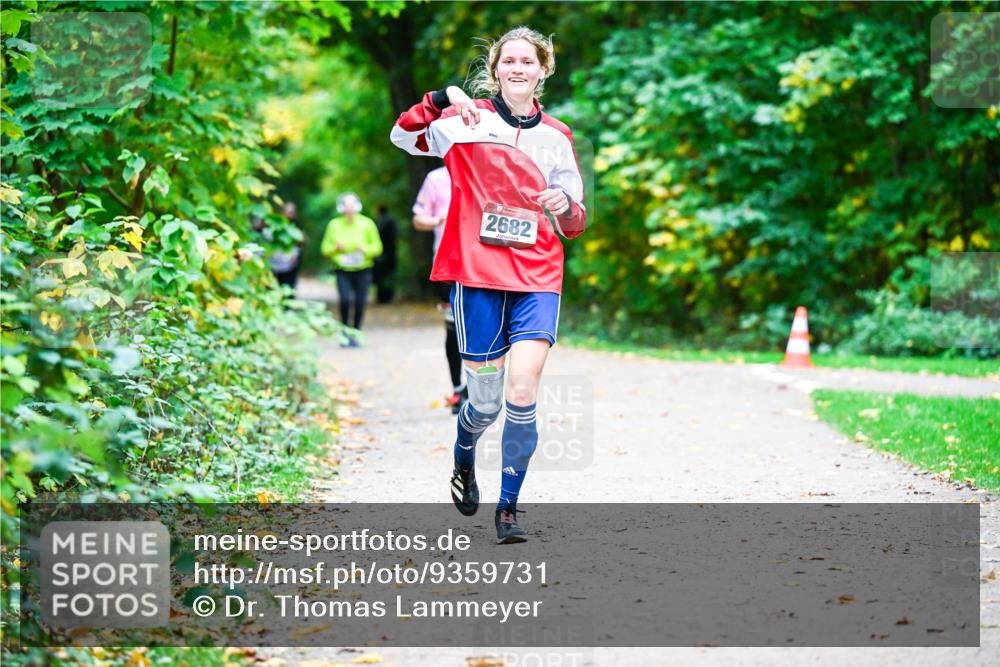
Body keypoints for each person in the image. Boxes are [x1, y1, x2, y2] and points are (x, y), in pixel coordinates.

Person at [390, 26, 586, 543]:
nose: (518, 69)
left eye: (529, 61)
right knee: (485, 402)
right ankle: (464, 450)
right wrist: (443, 97)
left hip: (538, 272)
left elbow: (576, 218)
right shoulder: (463, 120)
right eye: (509, 61)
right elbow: (402, 135)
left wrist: (566, 207)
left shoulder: (557, 136)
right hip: (477, 274)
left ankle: (509, 509)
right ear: (495, 68)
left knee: (523, 390)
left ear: (543, 70)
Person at [412, 164, 467, 415]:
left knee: (484, 326)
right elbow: (418, 218)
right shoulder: (435, 178)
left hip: (484, 264)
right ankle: (458, 389)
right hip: (447, 265)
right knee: (453, 328)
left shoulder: (483, 169)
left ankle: (479, 389)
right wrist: (438, 220)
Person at [320, 192, 383, 347]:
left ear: (358, 206)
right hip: (343, 270)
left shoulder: (367, 224)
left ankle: (356, 332)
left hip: (363, 269)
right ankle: (345, 332)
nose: (350, 208)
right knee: (345, 300)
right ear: (341, 207)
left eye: (352, 205)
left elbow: (377, 248)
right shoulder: (334, 225)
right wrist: (335, 248)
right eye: (346, 205)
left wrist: (365, 249)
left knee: (361, 302)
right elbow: (325, 249)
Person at [270, 202, 303, 295]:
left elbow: (301, 242)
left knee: (289, 287)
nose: (289, 215)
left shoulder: (297, 226)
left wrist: (296, 255)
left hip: (291, 262)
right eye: (287, 212)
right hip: (275, 262)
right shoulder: (275, 223)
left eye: (291, 212)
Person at [372, 205, 398, 304]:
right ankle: (388, 297)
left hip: (381, 254)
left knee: (380, 276)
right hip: (390, 253)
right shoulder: (392, 221)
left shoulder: (378, 222)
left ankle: (382, 297)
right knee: (389, 276)